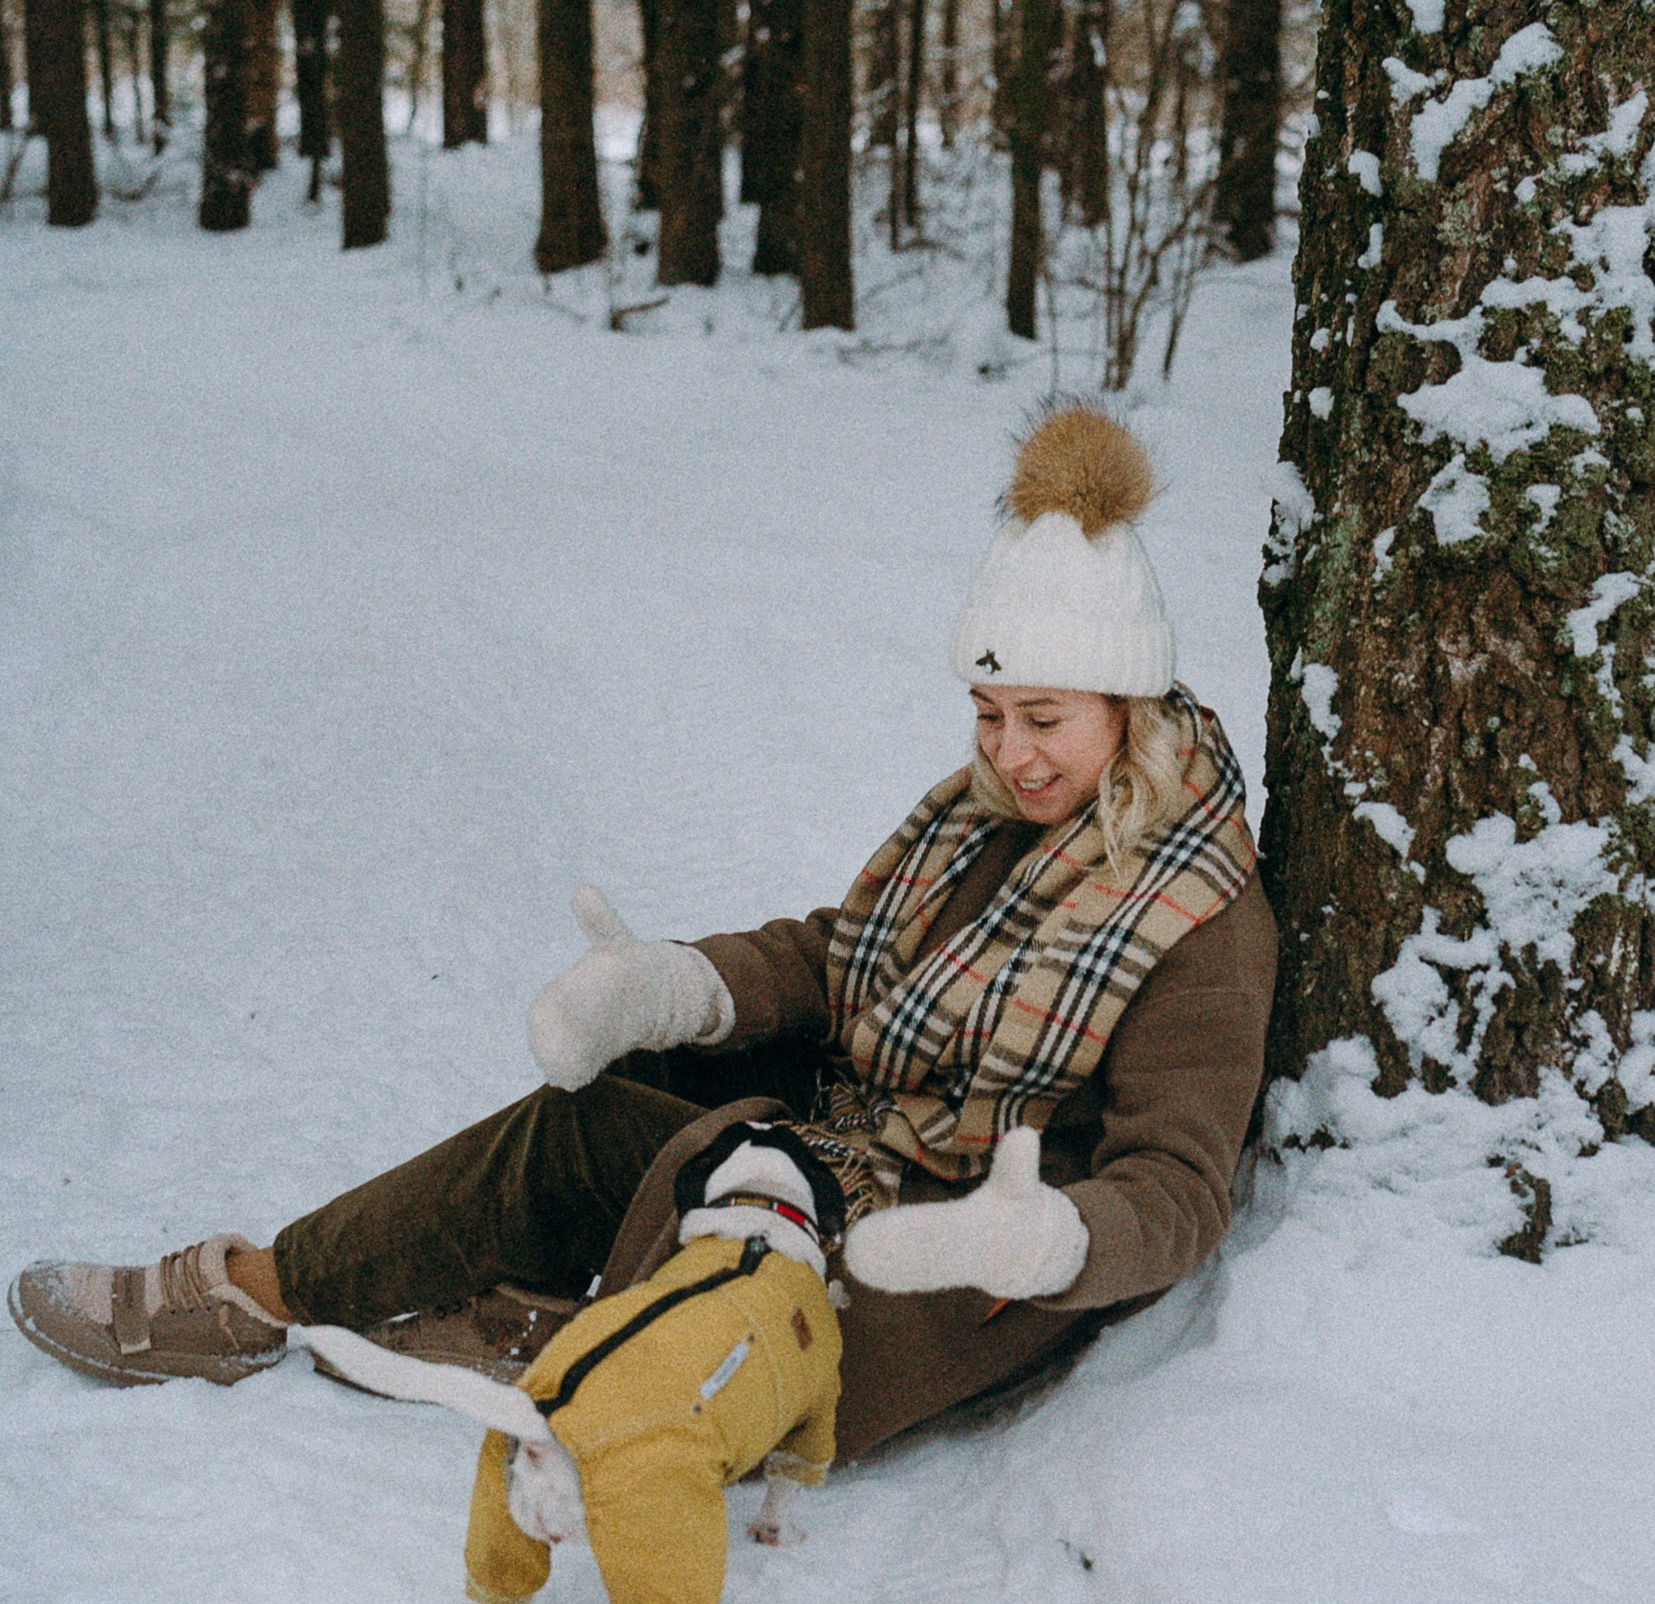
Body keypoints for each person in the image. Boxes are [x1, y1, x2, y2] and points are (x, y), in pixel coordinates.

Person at [10, 408, 1277, 1462]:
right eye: (989, 711)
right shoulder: (990, 815)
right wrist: (672, 989)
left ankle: (497, 1320)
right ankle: (280, 1288)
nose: (1008, 751)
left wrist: (1048, 1238)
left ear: (1128, 697)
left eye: (1042, 716)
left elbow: (1176, 1189)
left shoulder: (1197, 910)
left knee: (690, 1155)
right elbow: (844, 962)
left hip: (951, 1259)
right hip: (868, 1146)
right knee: (619, 1100)